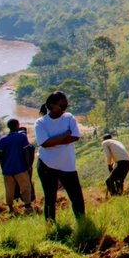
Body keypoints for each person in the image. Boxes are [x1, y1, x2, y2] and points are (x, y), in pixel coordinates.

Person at [35, 91, 85, 223]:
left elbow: (75, 137)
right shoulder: (40, 123)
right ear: (51, 105)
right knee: (50, 198)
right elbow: (44, 143)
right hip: (47, 164)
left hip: (67, 165)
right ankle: (50, 226)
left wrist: (53, 141)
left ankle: (82, 223)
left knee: (76, 197)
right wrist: (64, 135)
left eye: (66, 106)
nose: (64, 109)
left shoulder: (69, 117)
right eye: (61, 106)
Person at [0, 118, 33, 214]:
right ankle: (27, 206)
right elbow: (25, 153)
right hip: (20, 168)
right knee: (25, 187)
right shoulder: (21, 137)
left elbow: (1, 157)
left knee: (9, 190)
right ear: (17, 126)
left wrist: (3, 169)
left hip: (7, 170)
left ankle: (11, 208)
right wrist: (28, 166)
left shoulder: (2, 140)